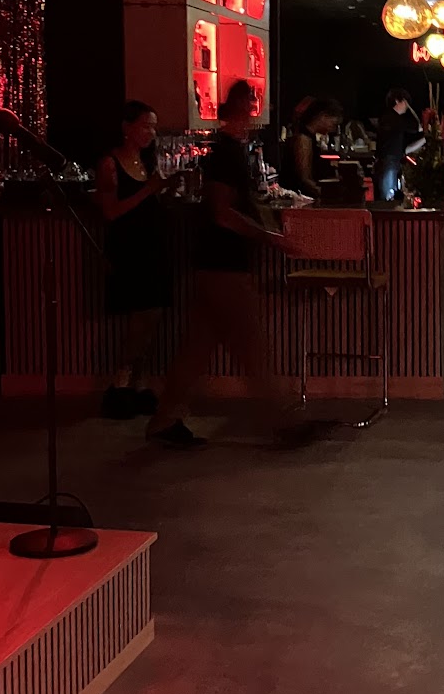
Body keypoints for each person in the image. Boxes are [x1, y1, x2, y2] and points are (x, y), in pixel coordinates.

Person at [148, 81, 307, 449]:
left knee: (196, 348)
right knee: (252, 347)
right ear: (243, 109)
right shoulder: (226, 154)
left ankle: (163, 420)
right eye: (252, 105)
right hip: (224, 264)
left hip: (214, 262)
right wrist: (272, 238)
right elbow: (222, 213)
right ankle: (283, 421)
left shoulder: (230, 151)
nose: (255, 112)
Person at [95, 101, 173, 418]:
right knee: (142, 317)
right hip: (129, 248)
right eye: (145, 126)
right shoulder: (110, 163)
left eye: (153, 127)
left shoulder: (147, 161)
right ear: (127, 128)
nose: (151, 133)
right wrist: (148, 191)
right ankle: (122, 382)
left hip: (152, 246)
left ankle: (138, 382)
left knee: (154, 316)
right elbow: (111, 211)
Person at [278, 95, 341, 197]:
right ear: (322, 116)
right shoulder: (303, 139)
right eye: (333, 124)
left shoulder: (308, 137)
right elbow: (304, 179)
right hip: (298, 197)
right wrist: (326, 194)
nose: (332, 129)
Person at [374, 88, 426, 203]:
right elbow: (416, 127)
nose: (407, 107)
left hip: (392, 161)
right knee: (388, 198)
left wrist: (425, 138)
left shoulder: (394, 122)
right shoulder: (391, 118)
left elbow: (404, 149)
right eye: (405, 103)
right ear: (397, 101)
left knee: (390, 195)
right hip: (389, 162)